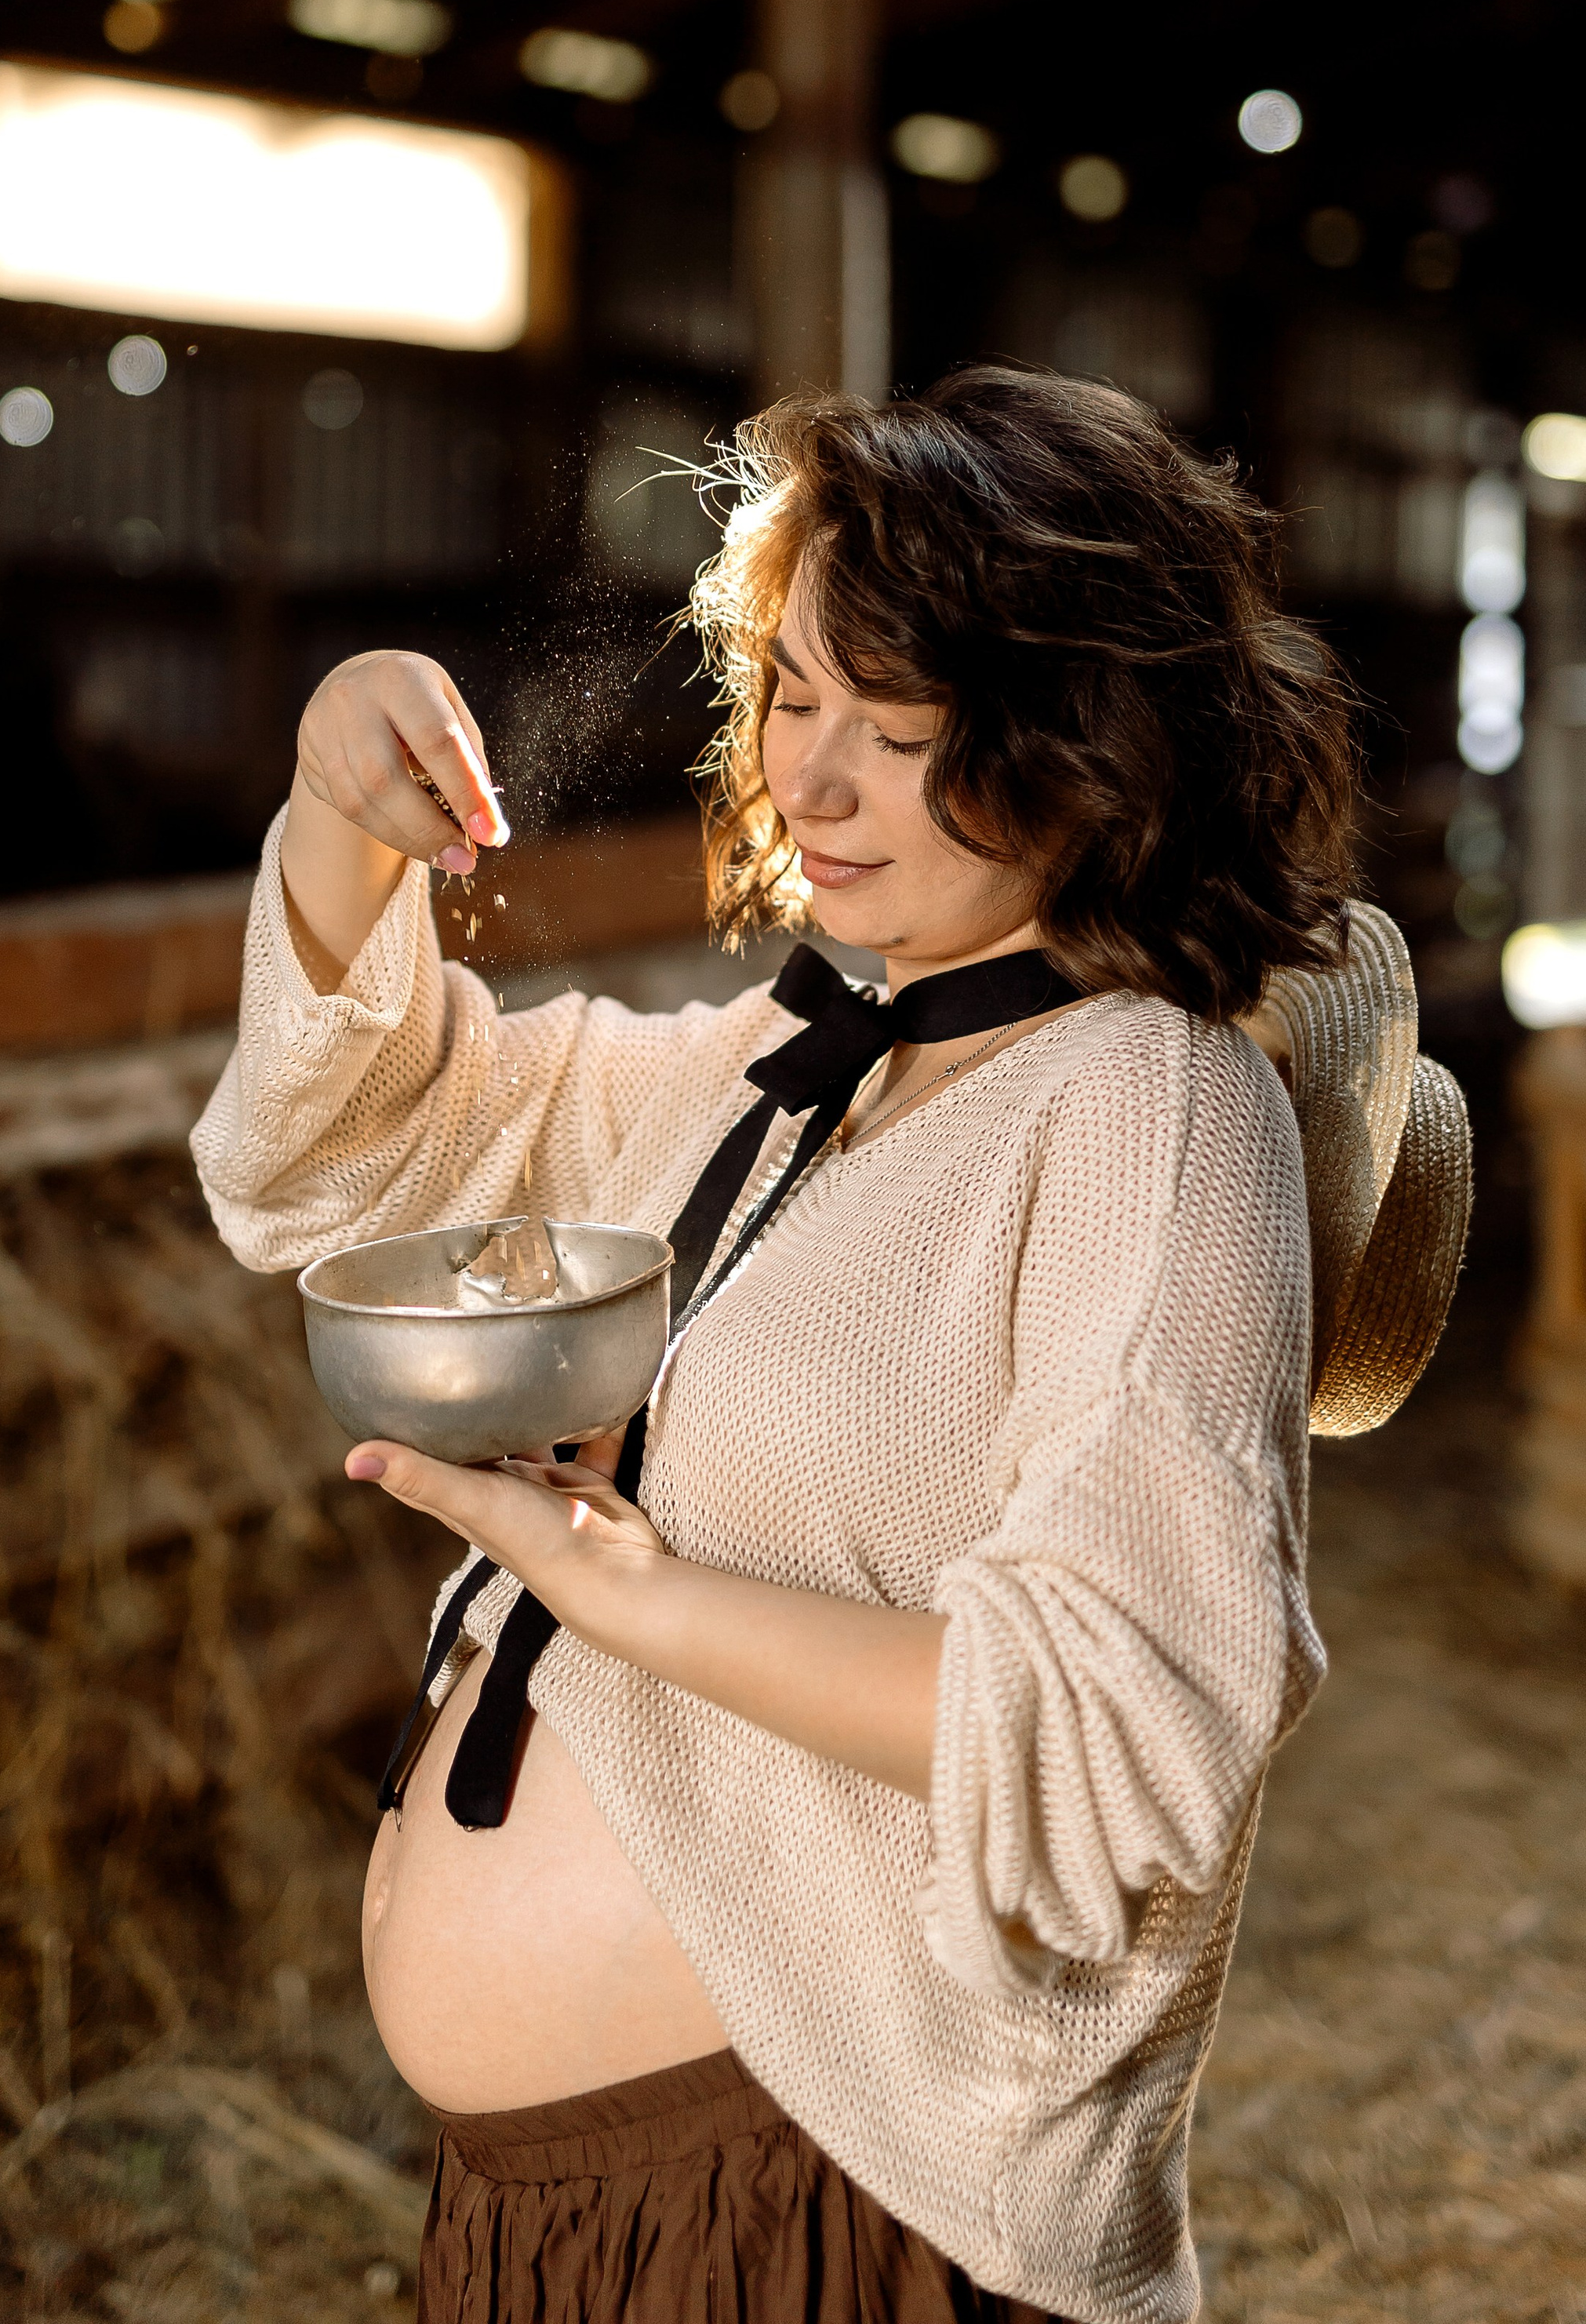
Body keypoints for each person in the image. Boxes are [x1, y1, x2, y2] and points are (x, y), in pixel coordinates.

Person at [191, 364, 1431, 2324]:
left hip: (823, 2210)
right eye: (788, 695)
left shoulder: (1142, 1106)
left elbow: (1123, 1726)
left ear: (1086, 744)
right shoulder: (783, 1075)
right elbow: (339, 1173)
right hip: (551, 2222)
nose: (811, 784)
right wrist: (342, 816)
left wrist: (622, 1593)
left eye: (903, 729)